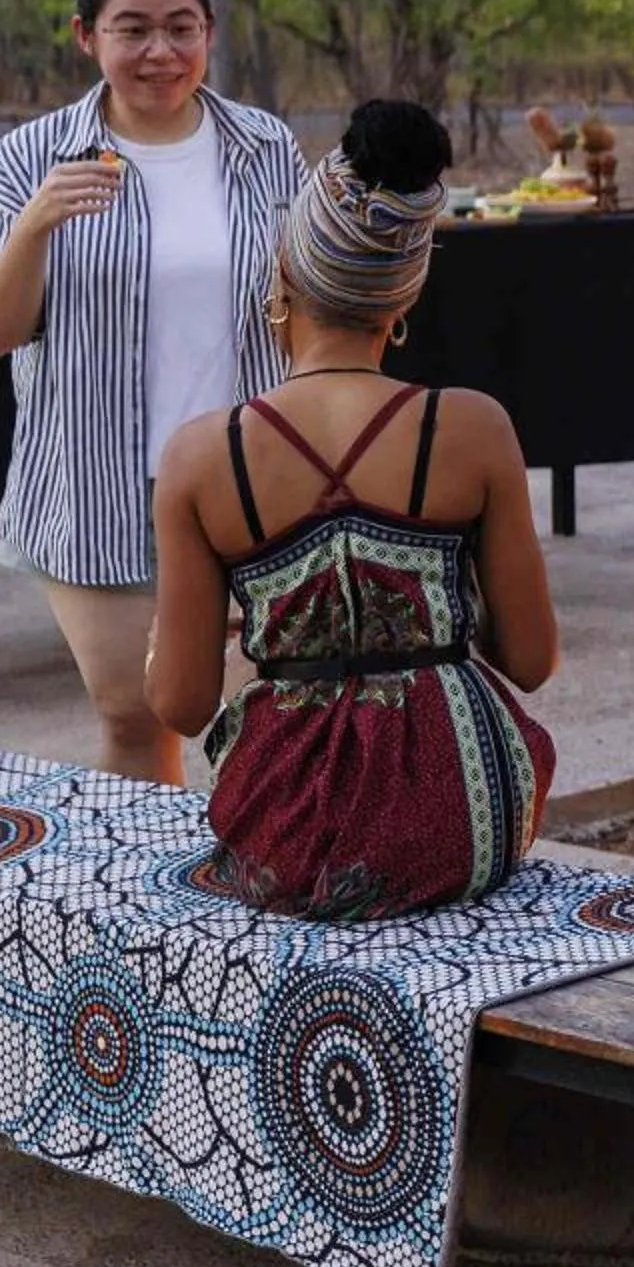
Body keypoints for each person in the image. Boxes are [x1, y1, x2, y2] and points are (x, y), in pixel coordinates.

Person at [147, 101, 558, 922]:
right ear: (400, 298)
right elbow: (532, 660)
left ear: (283, 279)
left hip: (289, 834)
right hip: (468, 827)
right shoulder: (472, 429)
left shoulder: (202, 457)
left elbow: (182, 706)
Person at [0, 0, 307, 781]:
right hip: (96, 486)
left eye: (182, 28)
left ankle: (255, 889)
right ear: (87, 36)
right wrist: (35, 227)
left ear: (210, 32)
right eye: (133, 29)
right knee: (136, 715)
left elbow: (309, 299)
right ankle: (145, 904)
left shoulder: (264, 148)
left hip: (251, 481)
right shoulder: (30, 159)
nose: (161, 52)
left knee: (263, 716)